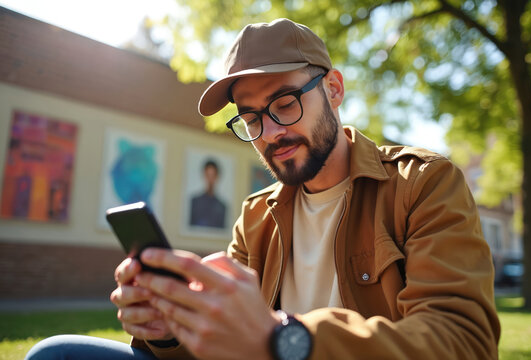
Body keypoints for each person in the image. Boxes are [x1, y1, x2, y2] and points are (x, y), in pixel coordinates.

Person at [26, 18, 500, 360]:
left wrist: (284, 338)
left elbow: (463, 342)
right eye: (251, 118)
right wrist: (169, 330)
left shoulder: (423, 183)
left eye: (285, 103)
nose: (270, 132)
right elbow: (219, 348)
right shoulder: (256, 216)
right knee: (59, 354)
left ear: (333, 90)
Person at [189, 159, 227, 229]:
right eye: (208, 175)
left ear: (217, 177)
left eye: (212, 175)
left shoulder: (222, 206)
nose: (210, 179)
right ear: (204, 175)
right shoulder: (195, 202)